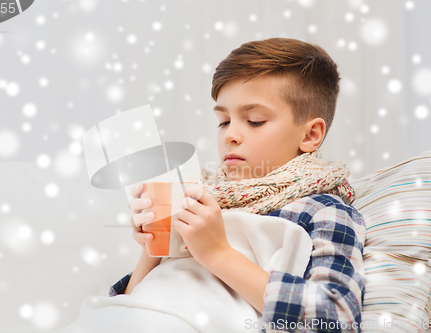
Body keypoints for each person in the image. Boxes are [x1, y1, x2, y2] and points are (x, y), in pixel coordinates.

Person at [110, 37, 366, 332]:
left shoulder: (322, 210)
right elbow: (132, 304)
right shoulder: (202, 199)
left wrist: (218, 253)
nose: (230, 135)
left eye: (254, 120)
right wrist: (154, 246)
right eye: (223, 121)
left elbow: (335, 320)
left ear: (309, 135)